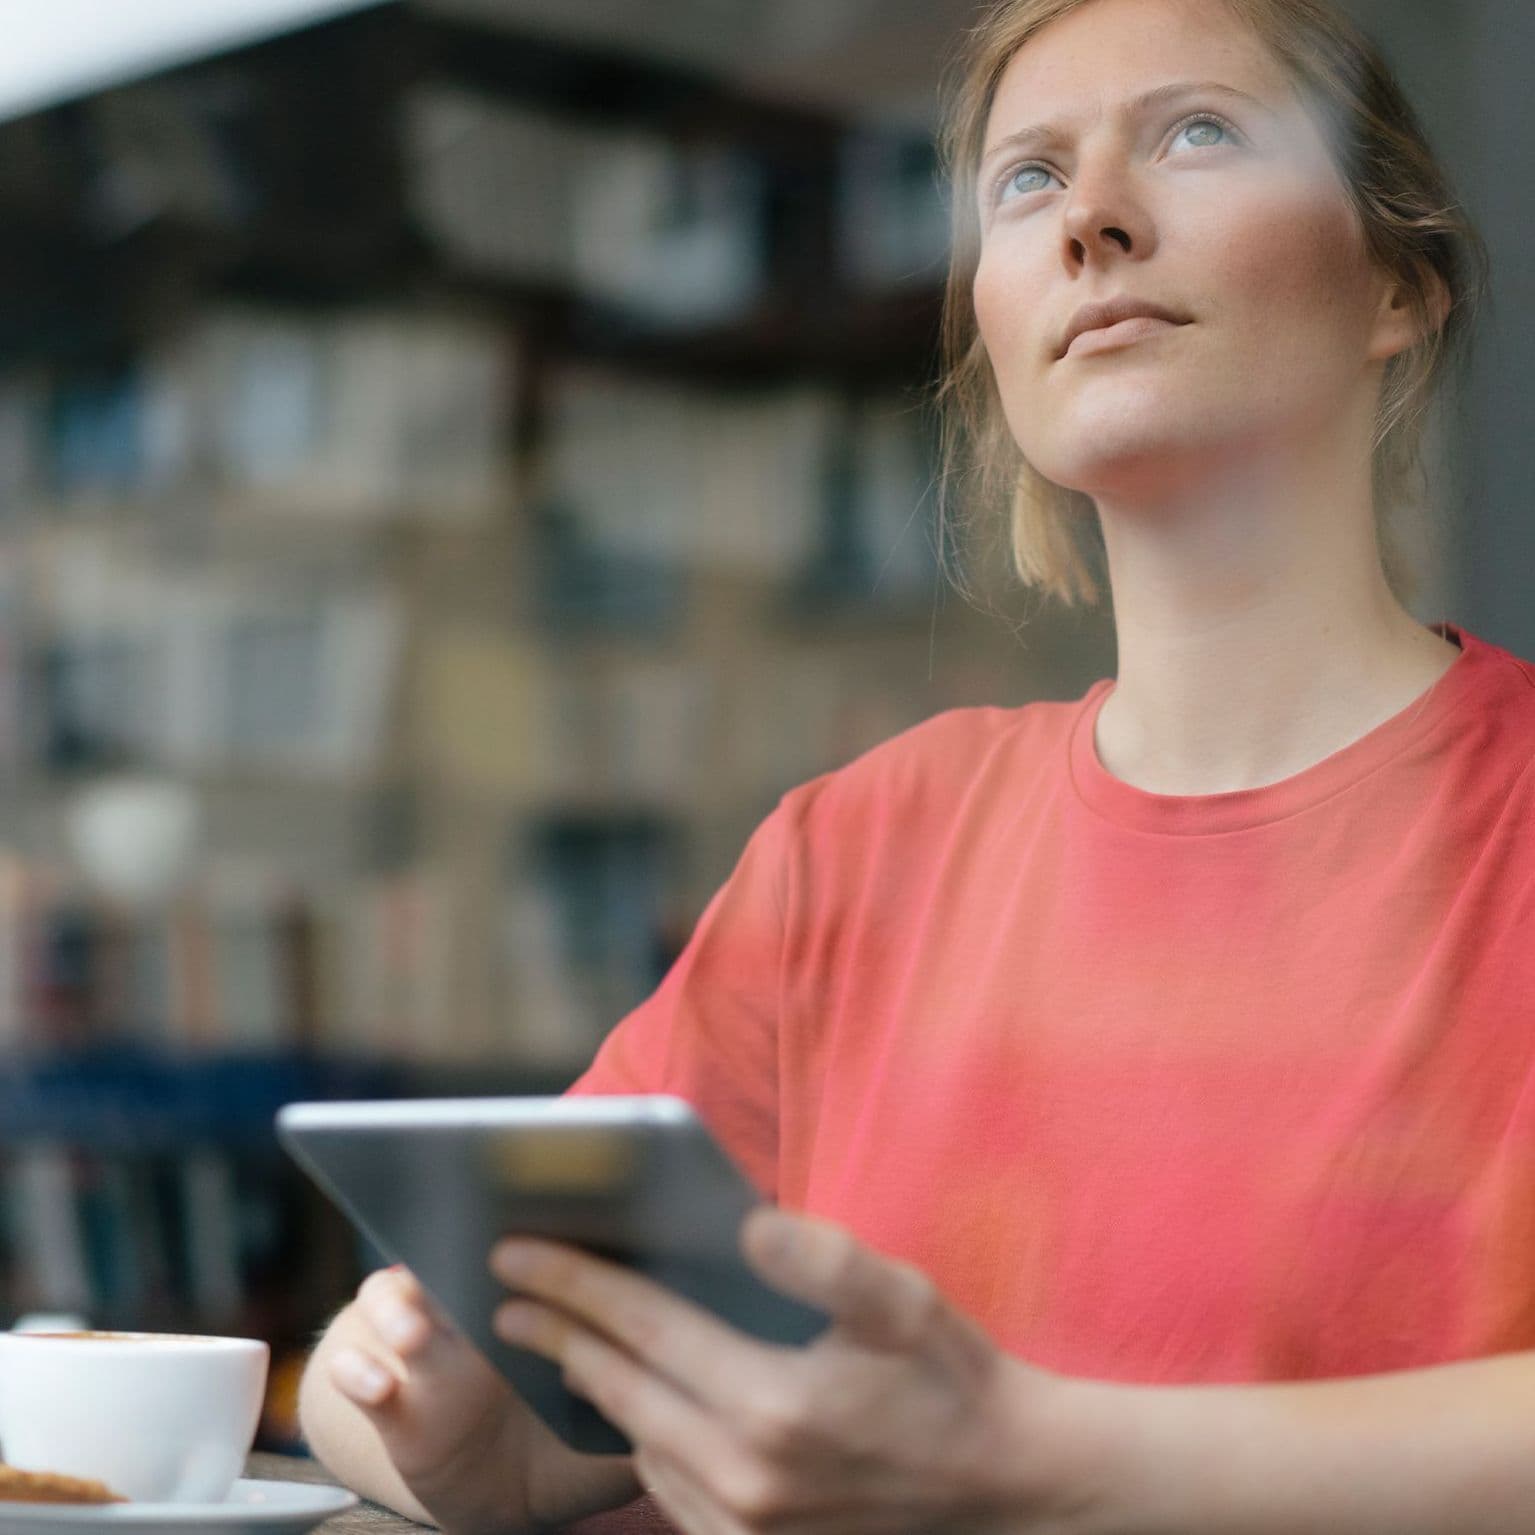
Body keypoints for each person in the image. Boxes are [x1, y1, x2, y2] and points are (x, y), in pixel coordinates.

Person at [298, 0, 1535, 1529]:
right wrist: (477, 1451)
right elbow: (541, 1391)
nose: (1091, 217)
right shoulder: (860, 845)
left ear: (1396, 285)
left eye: (1198, 131)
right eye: (1026, 178)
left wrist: (1038, 1466)